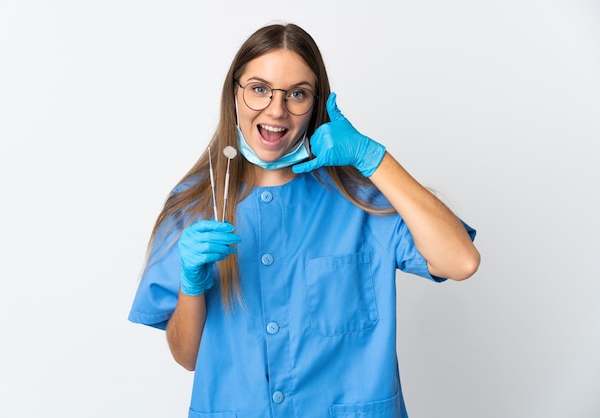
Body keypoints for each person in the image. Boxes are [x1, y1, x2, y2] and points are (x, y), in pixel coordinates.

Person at [128, 22, 480, 418]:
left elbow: (461, 261)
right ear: (234, 94)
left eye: (297, 94)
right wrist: (191, 285)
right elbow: (187, 356)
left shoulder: (358, 200)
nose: (276, 110)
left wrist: (372, 157)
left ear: (315, 104)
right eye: (259, 89)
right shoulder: (193, 205)